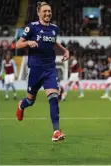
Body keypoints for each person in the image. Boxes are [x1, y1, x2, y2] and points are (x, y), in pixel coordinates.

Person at [15, 1, 69, 142]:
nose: (47, 14)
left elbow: (53, 41)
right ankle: (21, 105)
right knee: (30, 101)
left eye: (49, 11)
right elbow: (18, 44)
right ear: (39, 13)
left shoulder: (54, 28)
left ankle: (56, 131)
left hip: (50, 69)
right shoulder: (31, 27)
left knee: (53, 98)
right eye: (45, 11)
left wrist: (65, 50)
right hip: (35, 70)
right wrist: (28, 43)